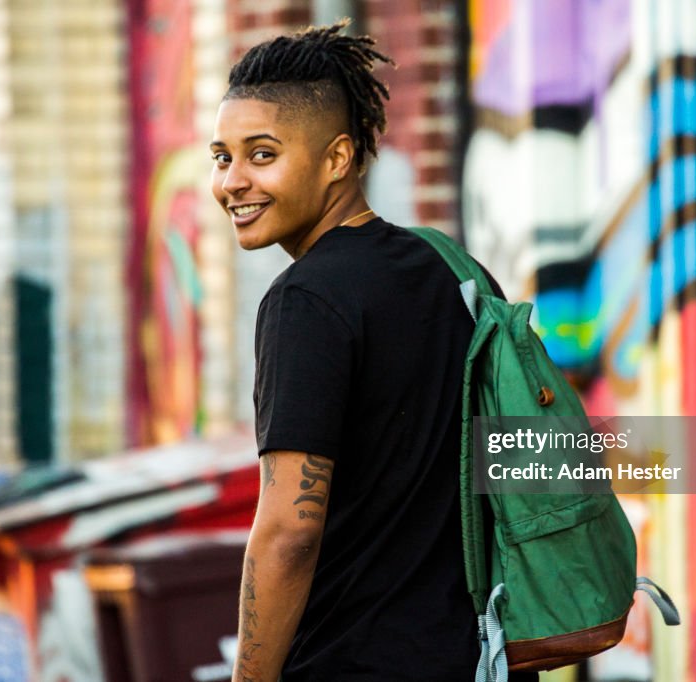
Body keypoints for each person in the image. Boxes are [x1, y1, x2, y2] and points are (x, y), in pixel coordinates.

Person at [210, 21, 521, 682]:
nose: (231, 182)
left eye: (261, 155)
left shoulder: (305, 303)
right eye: (222, 156)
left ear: (338, 159)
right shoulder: (456, 271)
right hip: (485, 660)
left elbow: (290, 529)